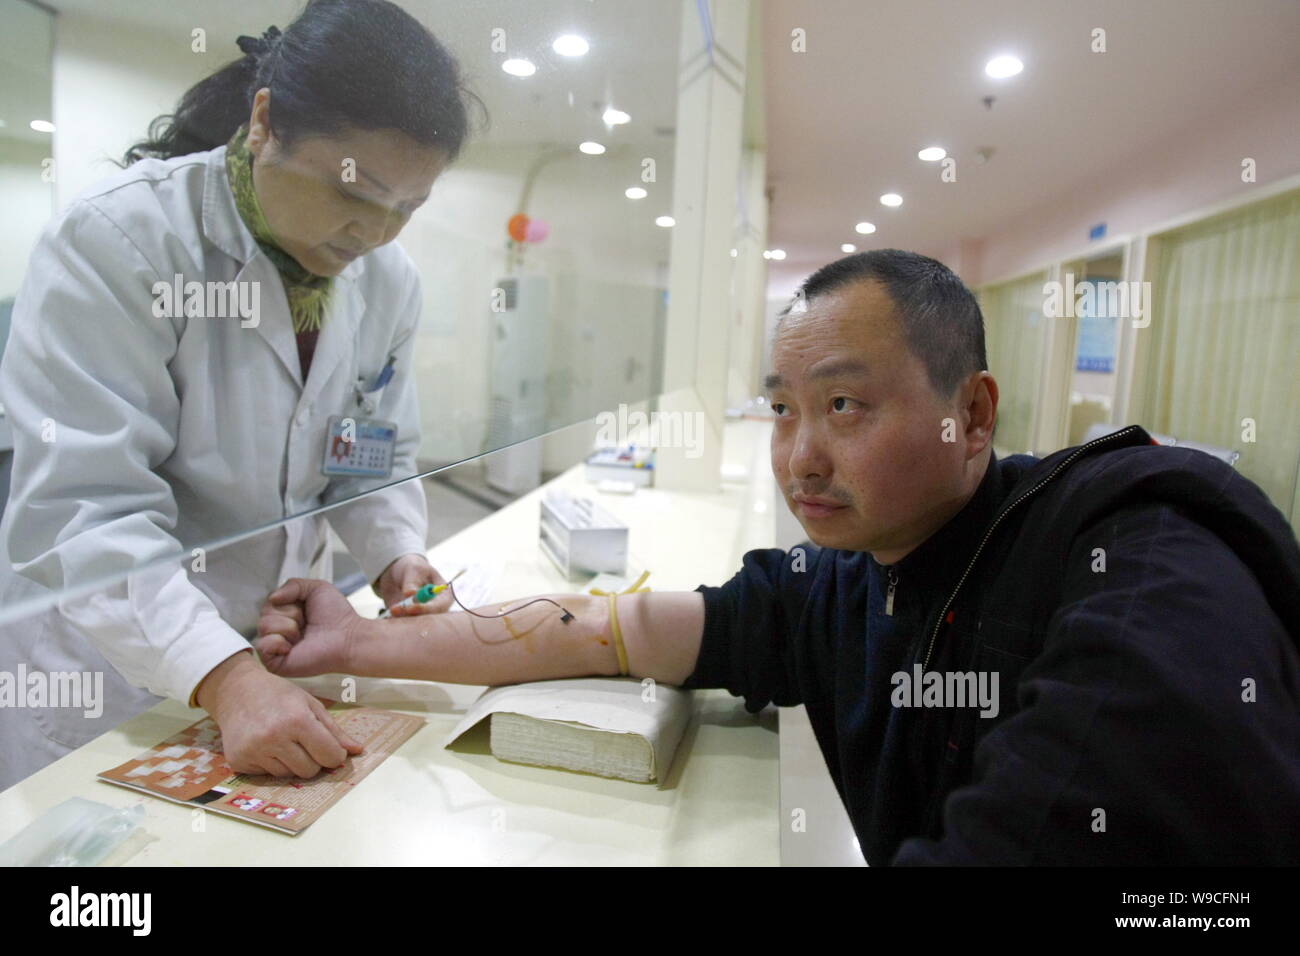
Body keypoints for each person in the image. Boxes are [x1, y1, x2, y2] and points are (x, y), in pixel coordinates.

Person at [255, 249, 1300, 864]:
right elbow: (615, 628)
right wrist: (365, 637)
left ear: (968, 414)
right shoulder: (841, 583)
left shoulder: (1138, 554)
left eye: (845, 405)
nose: (800, 454)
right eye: (783, 408)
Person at [0, 0, 480, 788]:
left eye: (408, 207)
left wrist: (401, 561)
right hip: (103, 668)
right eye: (354, 191)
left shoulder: (386, 283)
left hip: (264, 662)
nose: (375, 234)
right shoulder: (120, 244)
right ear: (264, 121)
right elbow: (86, 511)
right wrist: (226, 679)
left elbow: (371, 462)